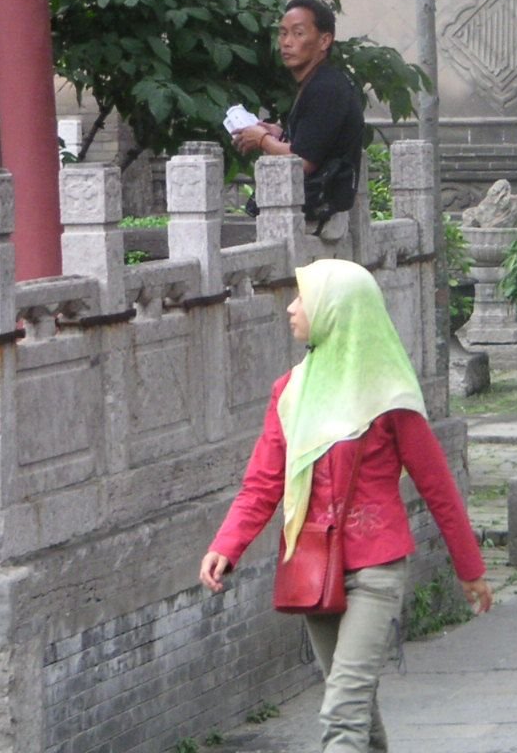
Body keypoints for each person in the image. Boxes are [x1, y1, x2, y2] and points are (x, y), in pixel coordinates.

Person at [199, 259, 492, 753]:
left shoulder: (389, 395)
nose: (292, 309)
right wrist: (226, 545)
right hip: (312, 565)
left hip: (376, 569)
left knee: (342, 710)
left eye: (302, 299)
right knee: (357, 709)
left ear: (337, 310)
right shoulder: (289, 392)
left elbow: (438, 487)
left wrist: (470, 568)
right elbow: (263, 483)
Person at [232, 0, 365, 223]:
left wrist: (263, 140)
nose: (287, 42)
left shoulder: (326, 88)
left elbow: (303, 161)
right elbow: (312, 144)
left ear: (324, 41)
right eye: (283, 33)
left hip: (319, 215)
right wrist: (278, 134)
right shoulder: (317, 82)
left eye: (298, 33)